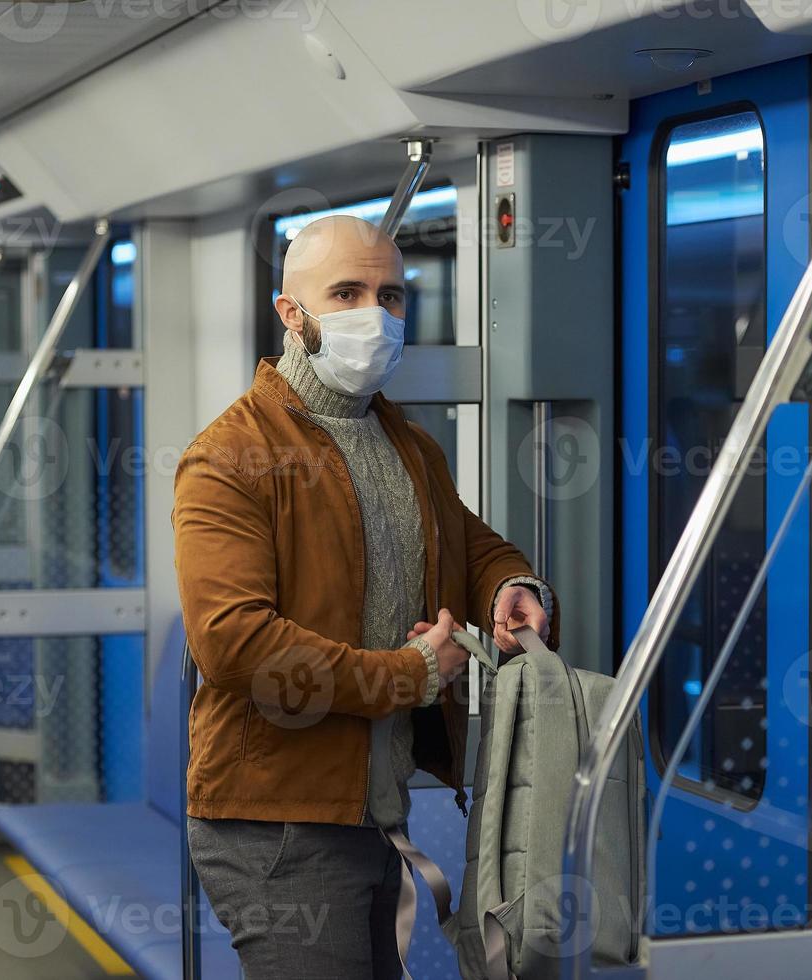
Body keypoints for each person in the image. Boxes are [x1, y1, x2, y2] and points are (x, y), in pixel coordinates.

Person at [172, 215, 558, 979]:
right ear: (292, 314)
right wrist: (410, 676)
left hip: (373, 811)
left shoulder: (406, 443)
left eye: (390, 295)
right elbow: (235, 645)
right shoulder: (228, 458)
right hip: (277, 821)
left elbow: (470, 548)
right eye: (345, 293)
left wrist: (510, 589)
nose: (373, 315)